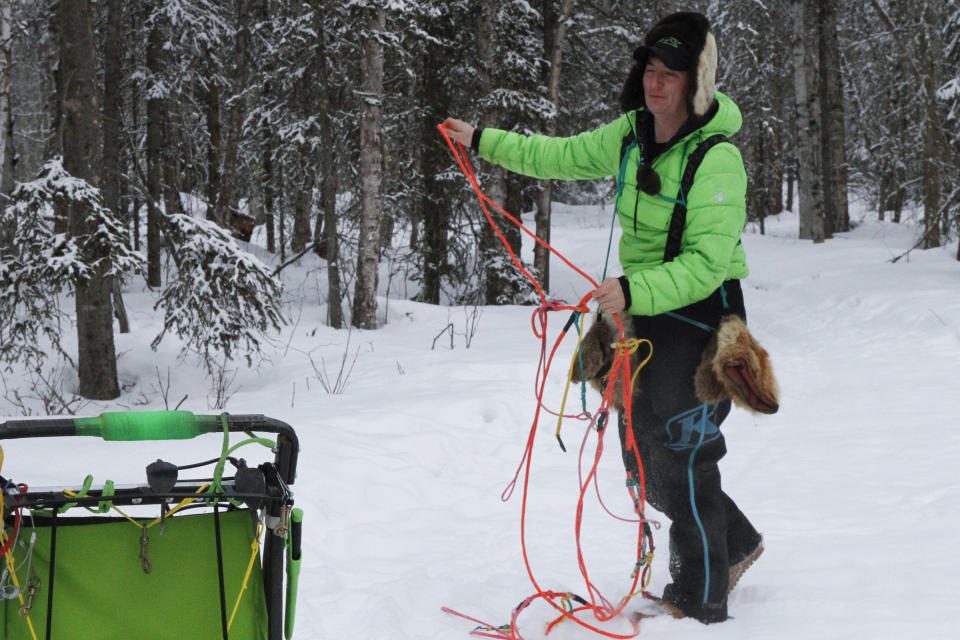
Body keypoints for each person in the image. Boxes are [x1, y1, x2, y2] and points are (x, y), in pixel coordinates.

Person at [442, 11, 764, 624]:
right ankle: (737, 543)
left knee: (682, 451)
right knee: (641, 458)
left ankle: (700, 598)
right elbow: (557, 155)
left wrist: (630, 288)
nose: (656, 83)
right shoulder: (630, 133)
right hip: (641, 316)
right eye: (650, 69)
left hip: (702, 317)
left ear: (696, 82)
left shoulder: (718, 159)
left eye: (671, 74)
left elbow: (705, 264)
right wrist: (480, 139)